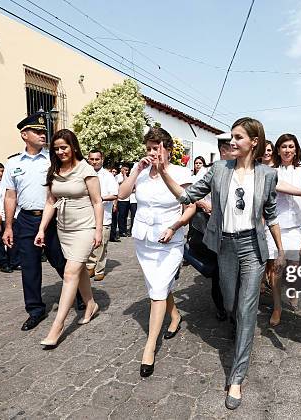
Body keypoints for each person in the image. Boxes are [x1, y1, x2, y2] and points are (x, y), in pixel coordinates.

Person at [157, 117, 285, 410]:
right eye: (232, 137)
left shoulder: (267, 175)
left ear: (254, 142)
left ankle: (237, 376)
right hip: (226, 245)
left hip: (253, 246)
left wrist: (280, 250)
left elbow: (272, 213)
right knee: (229, 304)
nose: (232, 142)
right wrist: (164, 172)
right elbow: (187, 196)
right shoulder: (217, 170)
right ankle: (238, 326)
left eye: (238, 137)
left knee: (247, 306)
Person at [118, 126, 196, 378]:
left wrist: (176, 226)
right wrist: (136, 171)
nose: (152, 153)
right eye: (149, 148)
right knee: (157, 288)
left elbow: (189, 205)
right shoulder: (139, 171)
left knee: (158, 290)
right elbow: (121, 195)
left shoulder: (180, 172)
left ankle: (149, 348)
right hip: (144, 240)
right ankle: (175, 317)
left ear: (168, 151)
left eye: (157, 148)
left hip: (170, 240)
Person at [34, 129, 103, 348]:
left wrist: (99, 230)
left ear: (73, 146)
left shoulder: (86, 169)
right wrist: (42, 229)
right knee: (79, 269)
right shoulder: (53, 170)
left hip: (85, 227)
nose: (60, 151)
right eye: (56, 148)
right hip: (64, 228)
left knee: (70, 271)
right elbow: (49, 202)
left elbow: (97, 201)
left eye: (64, 147)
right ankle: (90, 304)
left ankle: (58, 326)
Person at [2, 112, 69, 331]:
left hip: (52, 220)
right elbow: (10, 196)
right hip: (25, 220)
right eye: (37, 131)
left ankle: (78, 295)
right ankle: (35, 310)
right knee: (29, 267)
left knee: (60, 260)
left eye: (43, 131)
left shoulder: (53, 159)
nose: (43, 135)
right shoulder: (12, 163)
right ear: (24, 135)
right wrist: (9, 226)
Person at [267, 134, 301, 326]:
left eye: (291, 146)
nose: (287, 150)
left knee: (292, 270)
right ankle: (277, 307)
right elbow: (278, 186)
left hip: (296, 228)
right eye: (283, 146)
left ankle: (292, 291)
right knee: (276, 269)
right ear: (278, 150)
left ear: (296, 150)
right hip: (276, 227)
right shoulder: (271, 171)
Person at [185, 138, 230, 322]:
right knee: (218, 273)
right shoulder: (211, 172)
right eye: (229, 148)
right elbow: (191, 195)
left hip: (234, 231)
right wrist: (204, 203)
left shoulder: (244, 172)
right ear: (222, 151)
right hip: (211, 229)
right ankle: (221, 308)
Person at [86, 150, 118, 282]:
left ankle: (100, 269)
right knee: (89, 243)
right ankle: (90, 266)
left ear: (102, 159)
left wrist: (98, 199)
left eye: (97, 159)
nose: (94, 162)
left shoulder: (108, 176)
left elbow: (115, 195)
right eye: (92, 159)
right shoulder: (85, 174)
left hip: (104, 216)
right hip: (87, 216)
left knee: (102, 244)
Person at [116, 166, 131, 238]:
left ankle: (124, 230)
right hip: (121, 200)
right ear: (121, 169)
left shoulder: (128, 176)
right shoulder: (118, 176)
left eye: (127, 170)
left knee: (125, 216)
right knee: (121, 216)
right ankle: (121, 231)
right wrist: (124, 175)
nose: (126, 171)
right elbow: (124, 183)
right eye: (125, 170)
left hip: (128, 199)